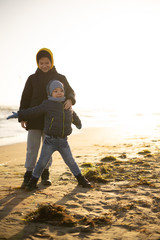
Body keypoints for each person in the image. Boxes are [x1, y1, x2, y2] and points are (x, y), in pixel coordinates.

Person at [7, 80, 91, 190]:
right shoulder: (47, 104)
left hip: (63, 141)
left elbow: (73, 115)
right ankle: (33, 182)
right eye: (55, 91)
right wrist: (20, 114)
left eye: (61, 90)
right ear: (50, 93)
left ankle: (81, 180)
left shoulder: (67, 104)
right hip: (49, 141)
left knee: (71, 162)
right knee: (41, 163)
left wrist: (78, 123)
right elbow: (33, 111)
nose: (59, 92)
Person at [18, 48, 76, 188]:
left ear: (52, 62)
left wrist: (70, 100)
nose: (44, 65)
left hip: (51, 120)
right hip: (34, 119)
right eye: (41, 63)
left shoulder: (60, 77)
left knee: (47, 149)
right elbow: (25, 98)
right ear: (38, 63)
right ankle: (28, 173)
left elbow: (70, 91)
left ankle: (45, 173)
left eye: (47, 62)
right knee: (32, 148)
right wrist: (23, 116)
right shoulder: (32, 78)